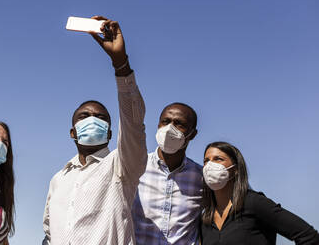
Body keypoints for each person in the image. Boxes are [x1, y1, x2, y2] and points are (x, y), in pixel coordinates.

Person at [42, 16, 147, 245]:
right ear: (73, 132)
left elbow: (134, 125)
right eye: (84, 116)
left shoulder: (121, 167)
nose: (92, 120)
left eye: (101, 118)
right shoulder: (59, 179)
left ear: (110, 133)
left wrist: (121, 64)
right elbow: (50, 233)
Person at [201, 141, 319, 245]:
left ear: (235, 169)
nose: (209, 165)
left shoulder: (253, 203)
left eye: (218, 159)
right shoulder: (205, 217)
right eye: (206, 161)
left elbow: (308, 236)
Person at [132, 102, 203, 244]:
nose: (169, 128)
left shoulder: (201, 177)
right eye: (165, 122)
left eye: (179, 124)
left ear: (192, 134)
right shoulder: (136, 167)